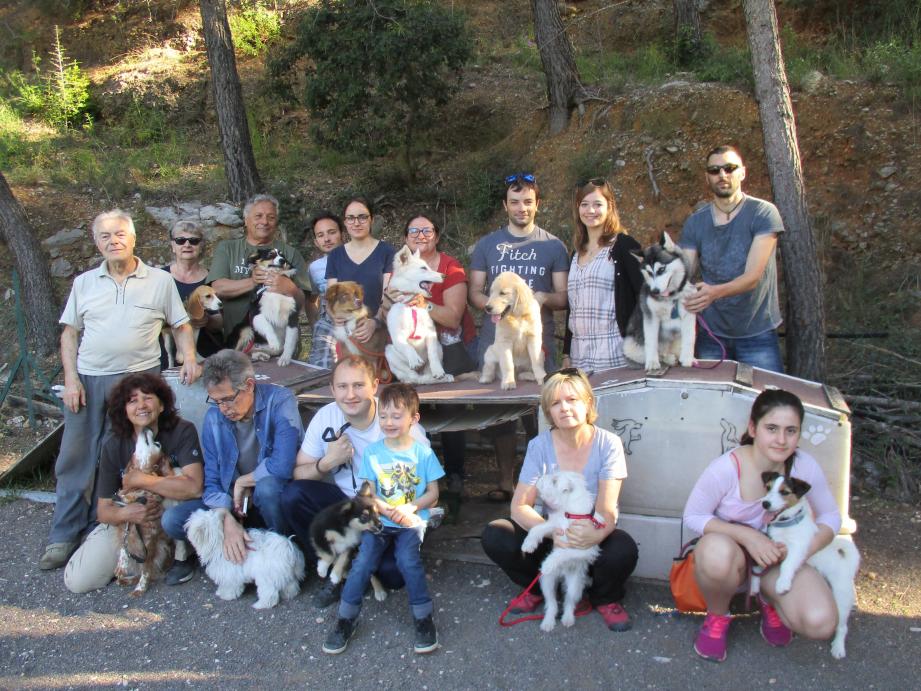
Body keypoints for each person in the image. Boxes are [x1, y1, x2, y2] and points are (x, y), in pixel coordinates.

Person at [40, 209, 201, 571]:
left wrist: (189, 357)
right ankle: (64, 535)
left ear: (133, 239)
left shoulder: (159, 280)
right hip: (90, 378)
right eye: (105, 236)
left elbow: (181, 324)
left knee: (136, 456)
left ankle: (123, 529)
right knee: (76, 457)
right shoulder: (83, 283)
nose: (113, 241)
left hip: (139, 380)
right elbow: (69, 333)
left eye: (119, 234)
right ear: (97, 242)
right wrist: (70, 379)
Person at [683, 389, 842, 662]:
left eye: (791, 431)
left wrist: (801, 551)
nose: (781, 440)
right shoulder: (725, 468)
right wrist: (747, 536)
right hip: (733, 558)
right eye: (772, 428)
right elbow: (694, 516)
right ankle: (718, 615)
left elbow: (831, 517)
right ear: (753, 428)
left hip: (778, 560)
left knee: (821, 623)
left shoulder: (804, 466)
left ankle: (768, 600)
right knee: (714, 551)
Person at [481, 368, 639, 631]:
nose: (564, 408)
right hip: (554, 533)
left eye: (572, 400)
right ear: (548, 411)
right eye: (555, 403)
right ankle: (538, 589)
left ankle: (604, 597)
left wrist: (593, 535)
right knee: (496, 534)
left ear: (588, 403)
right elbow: (519, 505)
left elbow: (607, 510)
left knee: (623, 549)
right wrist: (556, 534)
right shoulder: (539, 446)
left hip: (590, 533)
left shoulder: (608, 443)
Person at [281, 355, 429, 607]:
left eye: (358, 386)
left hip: (386, 510)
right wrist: (327, 462)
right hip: (344, 504)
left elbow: (420, 489)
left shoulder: (396, 420)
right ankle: (338, 566)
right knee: (293, 495)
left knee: (394, 576)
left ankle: (360, 559)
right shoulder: (326, 417)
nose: (350, 395)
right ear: (332, 389)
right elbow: (298, 472)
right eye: (342, 386)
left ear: (374, 386)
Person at [468, 173, 570, 500]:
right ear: (505, 205)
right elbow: (474, 291)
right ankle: (504, 483)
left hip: (537, 343)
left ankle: (540, 486)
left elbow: (563, 297)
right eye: (515, 202)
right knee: (501, 418)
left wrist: (536, 300)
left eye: (528, 201)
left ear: (537, 204)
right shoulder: (488, 245)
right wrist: (495, 309)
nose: (521, 208)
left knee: (540, 414)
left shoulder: (553, 245)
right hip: (498, 342)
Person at [322, 383, 443, 656]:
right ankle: (345, 619)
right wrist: (385, 510)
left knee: (407, 561)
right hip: (379, 522)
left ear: (414, 418)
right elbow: (369, 493)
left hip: (410, 523)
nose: (389, 422)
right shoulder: (374, 453)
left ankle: (423, 619)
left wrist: (410, 508)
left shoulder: (423, 452)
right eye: (384, 416)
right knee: (363, 562)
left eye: (397, 416)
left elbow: (433, 494)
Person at [63, 373, 204, 593]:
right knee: (78, 581)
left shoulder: (182, 431)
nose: (141, 405)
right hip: (129, 519)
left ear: (161, 405)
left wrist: (141, 480)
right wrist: (127, 514)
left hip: (168, 514)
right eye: (132, 400)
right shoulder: (113, 444)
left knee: (177, 475)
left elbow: (194, 488)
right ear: (124, 410)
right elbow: (104, 510)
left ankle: (182, 555)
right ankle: (131, 556)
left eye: (148, 398)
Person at [384, 212, 477, 493]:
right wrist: (391, 302)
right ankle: (414, 473)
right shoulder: (399, 269)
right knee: (411, 410)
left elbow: (452, 317)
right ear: (406, 238)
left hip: (451, 348)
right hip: (410, 350)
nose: (421, 236)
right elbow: (387, 312)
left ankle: (455, 474)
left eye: (427, 231)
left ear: (436, 235)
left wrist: (421, 302)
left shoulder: (450, 267)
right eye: (414, 231)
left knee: (450, 410)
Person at [679, 145, 785, 372]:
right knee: (712, 405)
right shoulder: (695, 222)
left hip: (757, 332)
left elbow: (752, 277)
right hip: (711, 334)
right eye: (715, 170)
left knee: (768, 402)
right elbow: (683, 272)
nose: (722, 175)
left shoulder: (763, 213)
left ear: (742, 172)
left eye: (729, 168)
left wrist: (713, 293)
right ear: (707, 177)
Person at [194, 349, 302, 567]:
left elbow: (282, 465)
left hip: (268, 496)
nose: (223, 408)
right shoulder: (214, 417)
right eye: (216, 401)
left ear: (249, 385)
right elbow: (212, 479)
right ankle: (232, 554)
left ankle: (284, 558)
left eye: (228, 399)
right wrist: (225, 516)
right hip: (233, 500)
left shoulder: (280, 400)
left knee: (267, 487)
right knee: (176, 520)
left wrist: (244, 481)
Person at [561, 178, 643, 372]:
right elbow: (573, 306)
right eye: (585, 205)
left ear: (610, 206)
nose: (590, 211)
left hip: (615, 353)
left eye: (598, 204)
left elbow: (646, 295)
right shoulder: (576, 254)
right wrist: (566, 352)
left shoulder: (624, 246)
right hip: (580, 356)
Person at [208, 194, 311, 341]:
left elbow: (303, 303)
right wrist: (253, 282)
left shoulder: (289, 253)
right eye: (258, 216)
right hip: (238, 341)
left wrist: (290, 288)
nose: (265, 221)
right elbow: (218, 289)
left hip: (280, 344)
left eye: (271, 217)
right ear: (246, 220)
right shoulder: (228, 249)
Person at [325, 196, 396, 345]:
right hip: (347, 334)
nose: (356, 223)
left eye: (362, 217)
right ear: (345, 222)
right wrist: (335, 316)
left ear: (371, 219)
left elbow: (389, 296)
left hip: (380, 334)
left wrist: (374, 322)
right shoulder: (335, 256)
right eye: (350, 218)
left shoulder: (387, 252)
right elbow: (331, 296)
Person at [159, 219, 224, 367]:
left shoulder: (213, 279)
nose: (187, 245)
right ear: (172, 245)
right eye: (180, 240)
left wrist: (207, 320)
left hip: (206, 360)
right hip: (166, 360)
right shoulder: (158, 278)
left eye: (194, 241)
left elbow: (221, 322)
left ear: (201, 246)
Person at [305, 211, 344, 369]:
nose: (326, 239)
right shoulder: (314, 268)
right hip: (328, 324)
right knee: (320, 369)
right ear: (316, 241)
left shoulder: (359, 258)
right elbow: (311, 300)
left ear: (342, 234)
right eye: (320, 235)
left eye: (332, 232)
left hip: (358, 323)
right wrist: (316, 324)